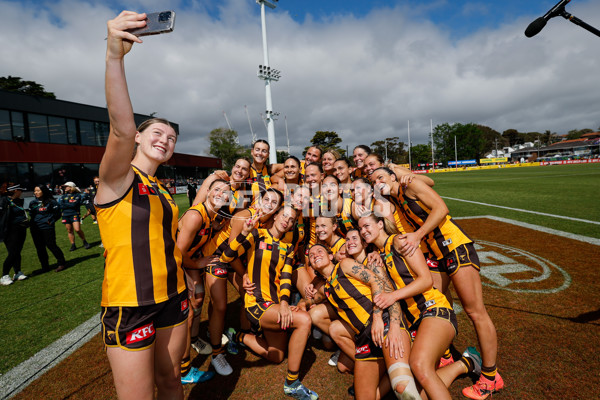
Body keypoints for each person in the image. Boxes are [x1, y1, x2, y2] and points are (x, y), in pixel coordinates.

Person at [96, 11, 193, 399]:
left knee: (171, 383)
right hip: (129, 305)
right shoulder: (117, 179)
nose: (166, 140)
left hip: (174, 296)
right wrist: (114, 57)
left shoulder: (164, 190)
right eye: (157, 132)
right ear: (138, 138)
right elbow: (119, 127)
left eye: (171, 137)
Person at [371, 167, 503, 399]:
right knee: (434, 300)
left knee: (475, 311)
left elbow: (442, 208)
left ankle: (490, 376)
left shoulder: (407, 185)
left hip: (453, 246)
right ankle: (447, 352)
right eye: (373, 181)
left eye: (380, 177)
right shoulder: (396, 197)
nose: (377, 182)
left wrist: (418, 234)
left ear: (392, 175)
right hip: (437, 253)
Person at [359, 213, 481, 399]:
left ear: (381, 224)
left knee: (419, 365)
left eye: (367, 226)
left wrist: (393, 296)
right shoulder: (379, 256)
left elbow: (426, 280)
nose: (363, 231)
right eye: (360, 229)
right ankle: (466, 362)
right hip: (415, 322)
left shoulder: (400, 241)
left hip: (434, 309)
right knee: (413, 393)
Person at [222, 206, 319, 400]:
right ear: (275, 216)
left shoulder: (288, 248)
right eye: (284, 216)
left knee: (276, 356)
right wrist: (242, 234)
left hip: (274, 306)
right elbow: (227, 256)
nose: (287, 221)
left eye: (292, 220)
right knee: (304, 320)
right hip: (256, 302)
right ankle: (292, 383)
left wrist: (283, 303)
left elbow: (285, 279)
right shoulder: (257, 234)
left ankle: (238, 336)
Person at [29, 185, 66, 273]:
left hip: (47, 227)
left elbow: (58, 214)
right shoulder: (33, 203)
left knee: (51, 245)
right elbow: (31, 214)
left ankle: (62, 263)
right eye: (35, 191)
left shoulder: (51, 202)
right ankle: (45, 267)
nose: (36, 193)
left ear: (43, 191)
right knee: (40, 248)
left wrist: (51, 221)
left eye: (38, 191)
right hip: (35, 228)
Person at [1, 184, 29, 285]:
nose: (21, 192)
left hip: (21, 228)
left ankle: (18, 272)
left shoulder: (18, 201)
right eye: (20, 190)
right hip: (9, 230)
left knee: (17, 251)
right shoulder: (3, 200)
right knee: (13, 252)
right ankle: (4, 275)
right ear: (15, 190)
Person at [58, 181, 90, 251]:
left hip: (74, 214)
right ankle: (73, 245)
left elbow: (74, 205)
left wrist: (66, 205)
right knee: (69, 230)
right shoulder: (63, 196)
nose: (64, 188)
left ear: (71, 187)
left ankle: (84, 241)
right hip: (65, 215)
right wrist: (68, 205)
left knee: (77, 229)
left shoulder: (77, 195)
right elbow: (60, 206)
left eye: (66, 186)